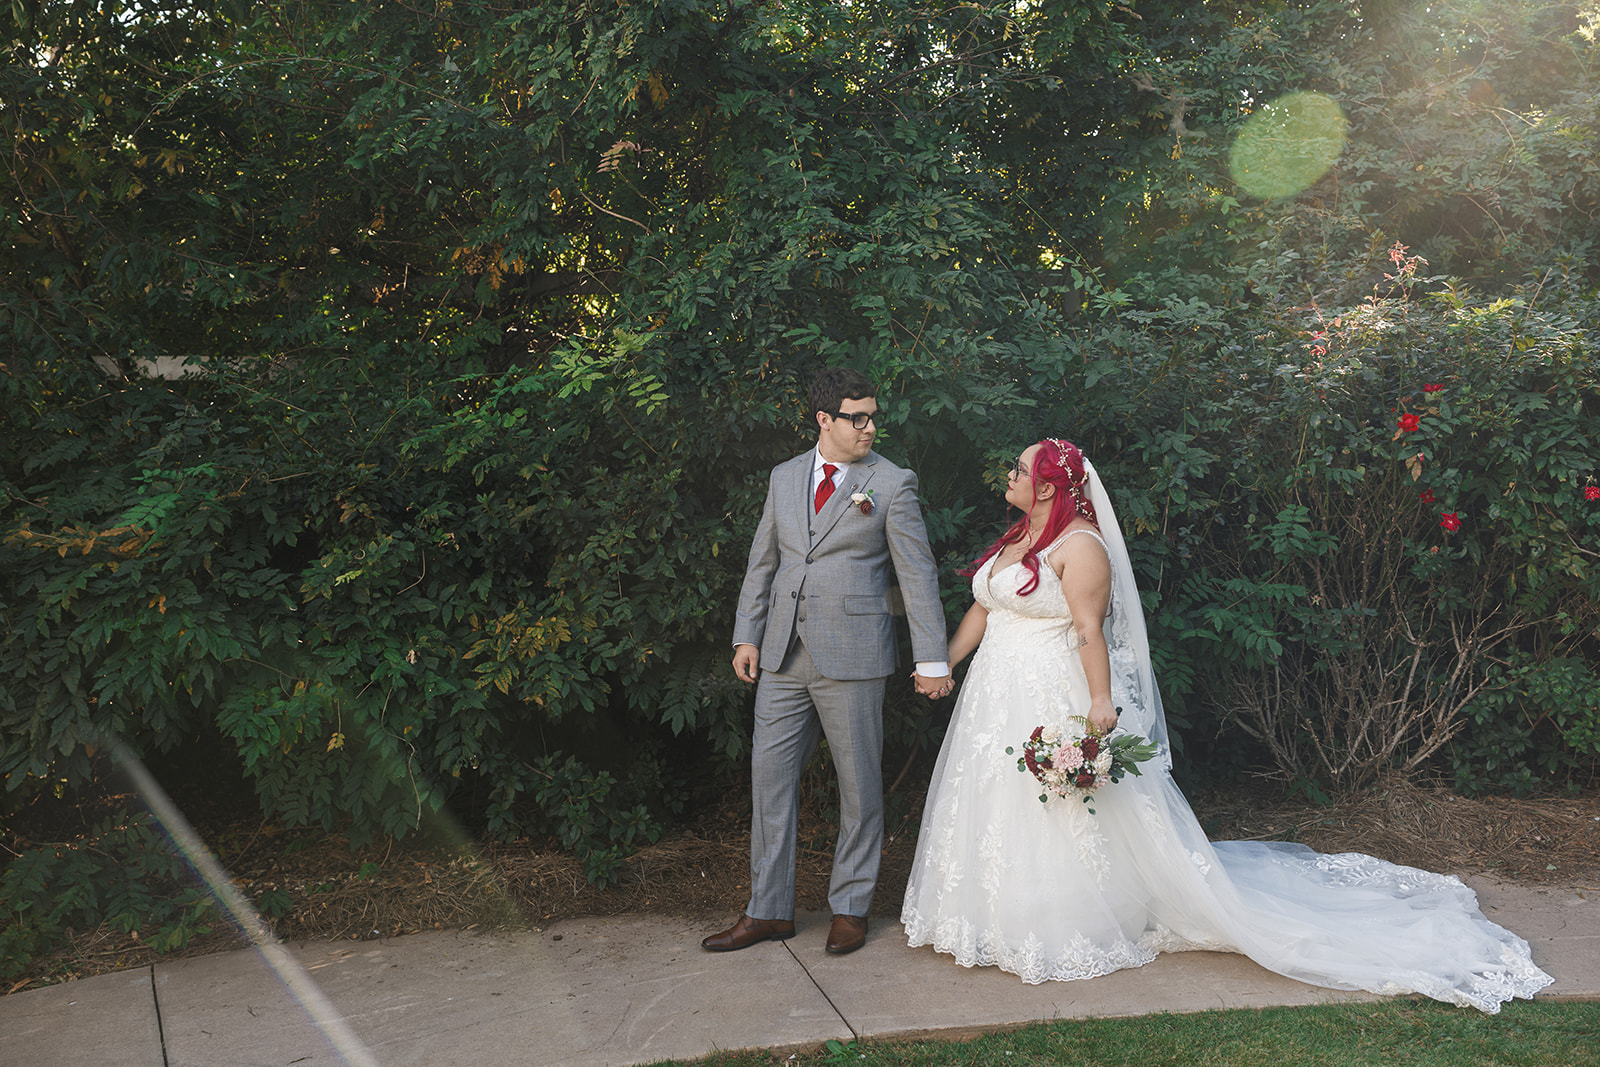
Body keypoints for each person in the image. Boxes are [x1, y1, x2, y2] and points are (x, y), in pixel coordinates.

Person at [901, 438, 1553, 1012]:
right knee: (995, 796)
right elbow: (985, 609)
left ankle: (1063, 918)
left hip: (1050, 692)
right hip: (993, 695)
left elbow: (1088, 630)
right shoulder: (1017, 538)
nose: (1010, 475)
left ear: (1048, 486)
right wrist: (941, 664)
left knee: (1058, 803)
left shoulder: (1081, 548)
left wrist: (1100, 701)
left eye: (1020, 469)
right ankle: (985, 913)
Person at [704, 368, 950, 956]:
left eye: (872, 417)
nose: (869, 427)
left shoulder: (891, 482)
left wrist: (932, 658)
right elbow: (763, 562)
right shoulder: (785, 476)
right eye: (856, 417)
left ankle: (851, 907)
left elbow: (917, 575)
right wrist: (746, 637)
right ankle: (768, 910)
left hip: (855, 653)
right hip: (782, 653)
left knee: (859, 787)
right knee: (769, 784)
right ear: (824, 420)